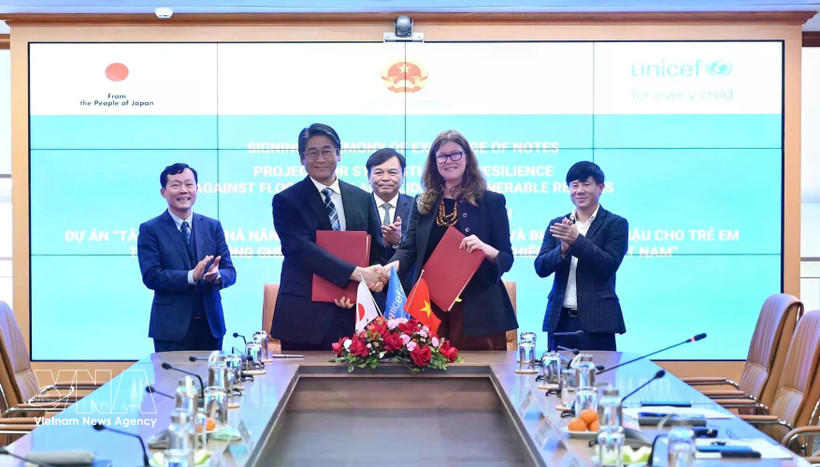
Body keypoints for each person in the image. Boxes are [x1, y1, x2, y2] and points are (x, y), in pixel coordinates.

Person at [387, 130, 517, 350]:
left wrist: (485, 248)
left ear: (467, 157)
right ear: (434, 162)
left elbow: (506, 258)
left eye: (455, 154)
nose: (449, 161)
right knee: (427, 370)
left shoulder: (491, 201)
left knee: (478, 372)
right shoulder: (423, 202)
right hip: (430, 308)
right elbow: (408, 250)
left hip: (479, 312)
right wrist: (387, 269)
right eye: (442, 156)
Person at [271, 123, 388, 350]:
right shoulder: (286, 200)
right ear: (302, 158)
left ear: (339, 153)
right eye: (312, 152)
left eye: (327, 151)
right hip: (306, 317)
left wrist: (362, 286)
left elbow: (376, 250)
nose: (320, 159)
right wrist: (356, 274)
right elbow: (301, 250)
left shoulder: (362, 198)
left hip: (356, 314)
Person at [138, 163, 236, 352]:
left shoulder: (212, 226)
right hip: (171, 330)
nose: (184, 190)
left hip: (211, 327)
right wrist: (191, 276)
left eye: (189, 184)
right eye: (176, 185)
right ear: (163, 192)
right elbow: (152, 276)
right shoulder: (150, 229)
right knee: (171, 373)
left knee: (212, 373)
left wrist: (217, 276)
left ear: (196, 189)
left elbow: (230, 271)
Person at [534, 161, 628, 351]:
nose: (579, 191)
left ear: (600, 187)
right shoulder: (558, 224)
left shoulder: (615, 224)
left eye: (586, 184)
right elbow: (540, 267)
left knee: (600, 371)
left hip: (598, 321)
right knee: (557, 370)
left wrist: (577, 241)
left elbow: (608, 265)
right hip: (559, 319)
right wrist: (562, 250)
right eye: (574, 185)